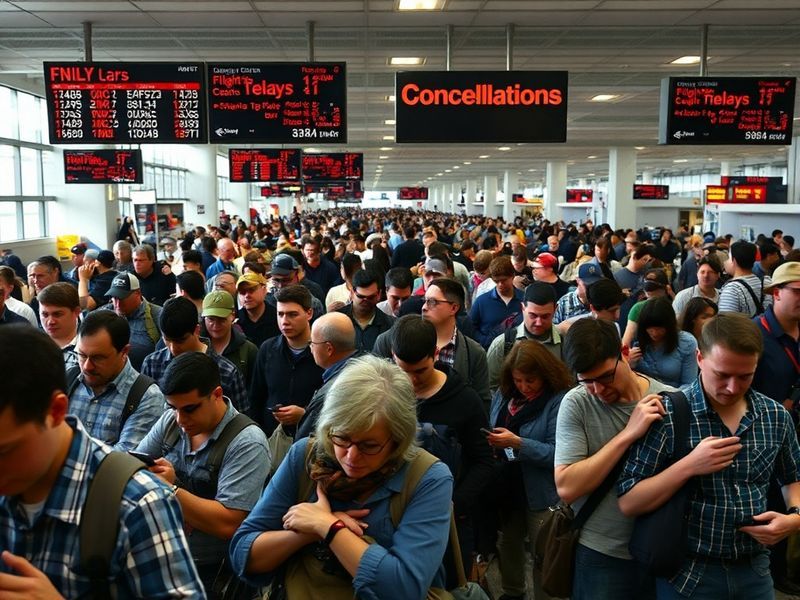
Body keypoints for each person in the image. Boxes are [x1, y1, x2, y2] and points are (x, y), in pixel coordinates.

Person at [0, 324, 203, 598]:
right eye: (82, 356)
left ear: (57, 410)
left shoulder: (137, 505)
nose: (88, 366)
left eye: (6, 451)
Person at [229, 354, 454, 599]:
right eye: (342, 438)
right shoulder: (305, 456)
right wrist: (309, 532)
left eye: (369, 446)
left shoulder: (428, 478)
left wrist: (329, 526)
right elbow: (243, 554)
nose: (351, 457)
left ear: (398, 441)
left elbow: (403, 588)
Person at [618, 313, 800, 600]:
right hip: (689, 574)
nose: (732, 387)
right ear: (700, 359)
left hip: (755, 570)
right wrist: (689, 465)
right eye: (721, 374)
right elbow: (629, 501)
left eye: (745, 376)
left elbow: (792, 477)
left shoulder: (775, 416)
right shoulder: (668, 414)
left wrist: (794, 517)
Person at [555, 318, 675, 600]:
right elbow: (567, 487)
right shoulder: (576, 404)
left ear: (624, 353)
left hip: (662, 549)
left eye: (606, 377)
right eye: (587, 382)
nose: (598, 390)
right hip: (601, 552)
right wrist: (628, 434)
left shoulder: (670, 399)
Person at [135, 351, 270, 596]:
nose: (180, 418)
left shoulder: (248, 442)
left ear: (216, 395)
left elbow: (229, 522)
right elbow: (131, 469)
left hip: (213, 571)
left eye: (189, 409)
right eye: (173, 407)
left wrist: (170, 492)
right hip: (164, 556)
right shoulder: (170, 422)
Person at [390, 314, 493, 571]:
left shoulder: (465, 401)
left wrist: (454, 503)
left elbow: (484, 462)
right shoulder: (385, 395)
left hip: (449, 524)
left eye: (420, 371)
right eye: (403, 371)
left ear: (435, 354)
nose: (412, 380)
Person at [489, 340, 572, 600]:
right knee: (508, 545)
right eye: (518, 380)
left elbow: (557, 452)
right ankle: (513, 592)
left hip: (540, 493)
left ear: (545, 375)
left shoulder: (558, 401)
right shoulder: (504, 394)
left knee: (542, 555)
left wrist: (517, 443)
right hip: (507, 488)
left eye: (530, 381)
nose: (524, 387)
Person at [68, 310, 164, 451]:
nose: (87, 366)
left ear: (124, 352)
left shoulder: (146, 397)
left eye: (98, 358)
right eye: (82, 355)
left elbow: (122, 462)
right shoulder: (69, 379)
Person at [142, 296, 249, 412]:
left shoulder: (227, 373)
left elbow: (240, 419)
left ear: (197, 330)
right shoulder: (152, 365)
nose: (173, 348)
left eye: (180, 341)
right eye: (167, 340)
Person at [248, 284, 324, 437]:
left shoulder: (324, 352)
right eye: (280, 314)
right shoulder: (267, 350)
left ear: (309, 313)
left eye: (292, 314)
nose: (284, 321)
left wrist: (305, 414)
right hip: (271, 439)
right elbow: (256, 398)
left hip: (311, 440)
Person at [487, 282, 563, 393]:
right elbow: (490, 387)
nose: (539, 322)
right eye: (533, 315)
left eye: (545, 316)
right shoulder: (503, 344)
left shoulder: (565, 341)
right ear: (522, 308)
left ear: (555, 309)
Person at [296, 312, 360, 440]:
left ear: (329, 349)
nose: (311, 348)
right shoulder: (368, 369)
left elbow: (306, 443)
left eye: (312, 343)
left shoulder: (330, 394)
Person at [627, 297, 699, 388]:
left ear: (669, 325)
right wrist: (629, 365)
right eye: (650, 328)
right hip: (643, 394)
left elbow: (689, 384)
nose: (654, 333)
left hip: (675, 396)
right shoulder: (638, 341)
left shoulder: (687, 343)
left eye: (659, 328)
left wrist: (668, 399)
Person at [104, 271, 163, 371]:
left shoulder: (158, 315)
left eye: (122, 298)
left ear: (138, 293)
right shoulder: (104, 314)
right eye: (114, 298)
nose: (117, 304)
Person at [202, 289, 259, 385]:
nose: (215, 325)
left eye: (221, 320)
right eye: (211, 319)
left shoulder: (248, 350)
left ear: (232, 315)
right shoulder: (196, 345)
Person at [470, 255, 525, 348]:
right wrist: (484, 341)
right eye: (496, 281)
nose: (500, 284)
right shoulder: (481, 301)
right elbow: (471, 328)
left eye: (504, 280)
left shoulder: (525, 299)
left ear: (512, 276)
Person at [335, 268, 395, 352]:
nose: (365, 301)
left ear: (379, 295)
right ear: (352, 293)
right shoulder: (336, 320)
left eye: (371, 297)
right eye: (361, 296)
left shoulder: (390, 325)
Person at [718, 240, 772, 318]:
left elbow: (726, 325)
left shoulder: (732, 290)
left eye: (728, 258)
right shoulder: (766, 282)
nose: (725, 262)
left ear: (734, 261)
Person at [37, 282, 81, 369]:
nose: (50, 322)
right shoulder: (32, 345)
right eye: (45, 315)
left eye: (57, 314)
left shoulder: (90, 346)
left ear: (76, 312)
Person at [236, 272, 280, 348]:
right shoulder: (236, 321)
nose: (247, 296)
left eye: (251, 290)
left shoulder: (278, 317)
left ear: (264, 290)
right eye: (242, 292)